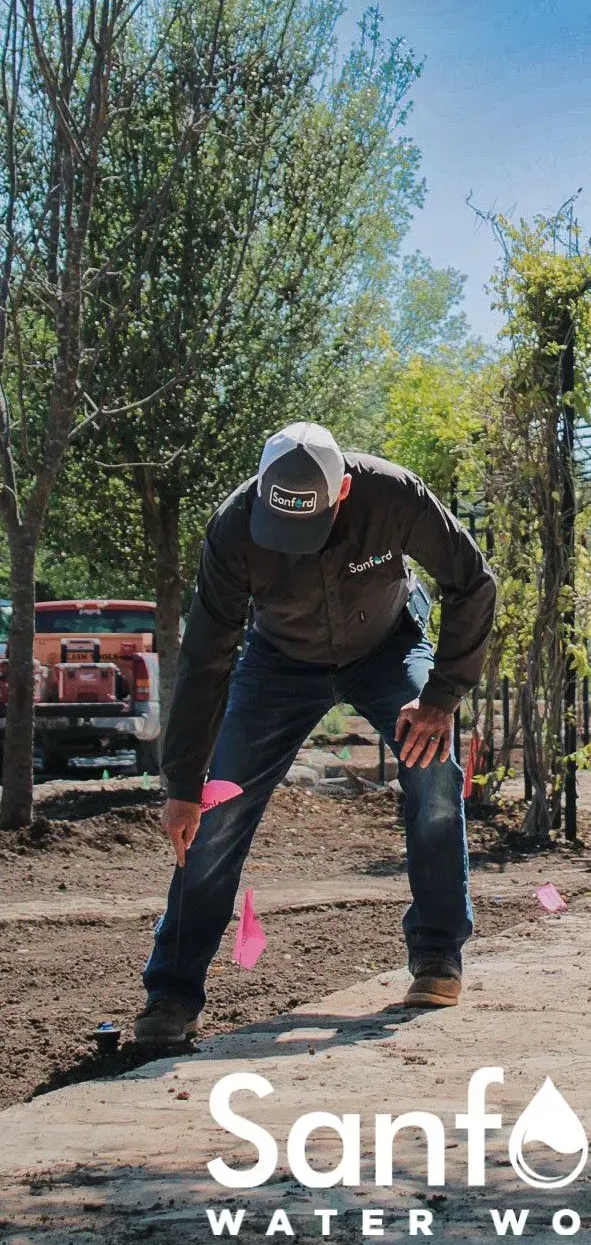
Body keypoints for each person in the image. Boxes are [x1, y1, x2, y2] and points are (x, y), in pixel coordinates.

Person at [134, 422, 496, 1046]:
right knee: (216, 809)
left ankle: (438, 953)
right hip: (279, 662)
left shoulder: (395, 495)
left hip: (390, 645)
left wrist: (439, 698)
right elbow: (205, 658)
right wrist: (184, 780)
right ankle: (172, 991)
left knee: (432, 768)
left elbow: (473, 582)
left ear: (344, 490)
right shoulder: (233, 526)